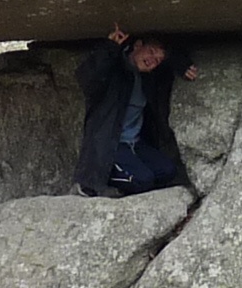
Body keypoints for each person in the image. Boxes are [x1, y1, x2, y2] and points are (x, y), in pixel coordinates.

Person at [74, 26, 196, 197]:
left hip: (135, 144)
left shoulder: (148, 78)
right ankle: (93, 182)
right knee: (143, 180)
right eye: (151, 52)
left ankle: (126, 179)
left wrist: (181, 64)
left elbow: (172, 55)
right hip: (110, 144)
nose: (153, 60)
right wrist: (110, 46)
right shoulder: (115, 69)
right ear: (138, 45)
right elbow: (88, 77)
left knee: (167, 171)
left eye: (158, 60)